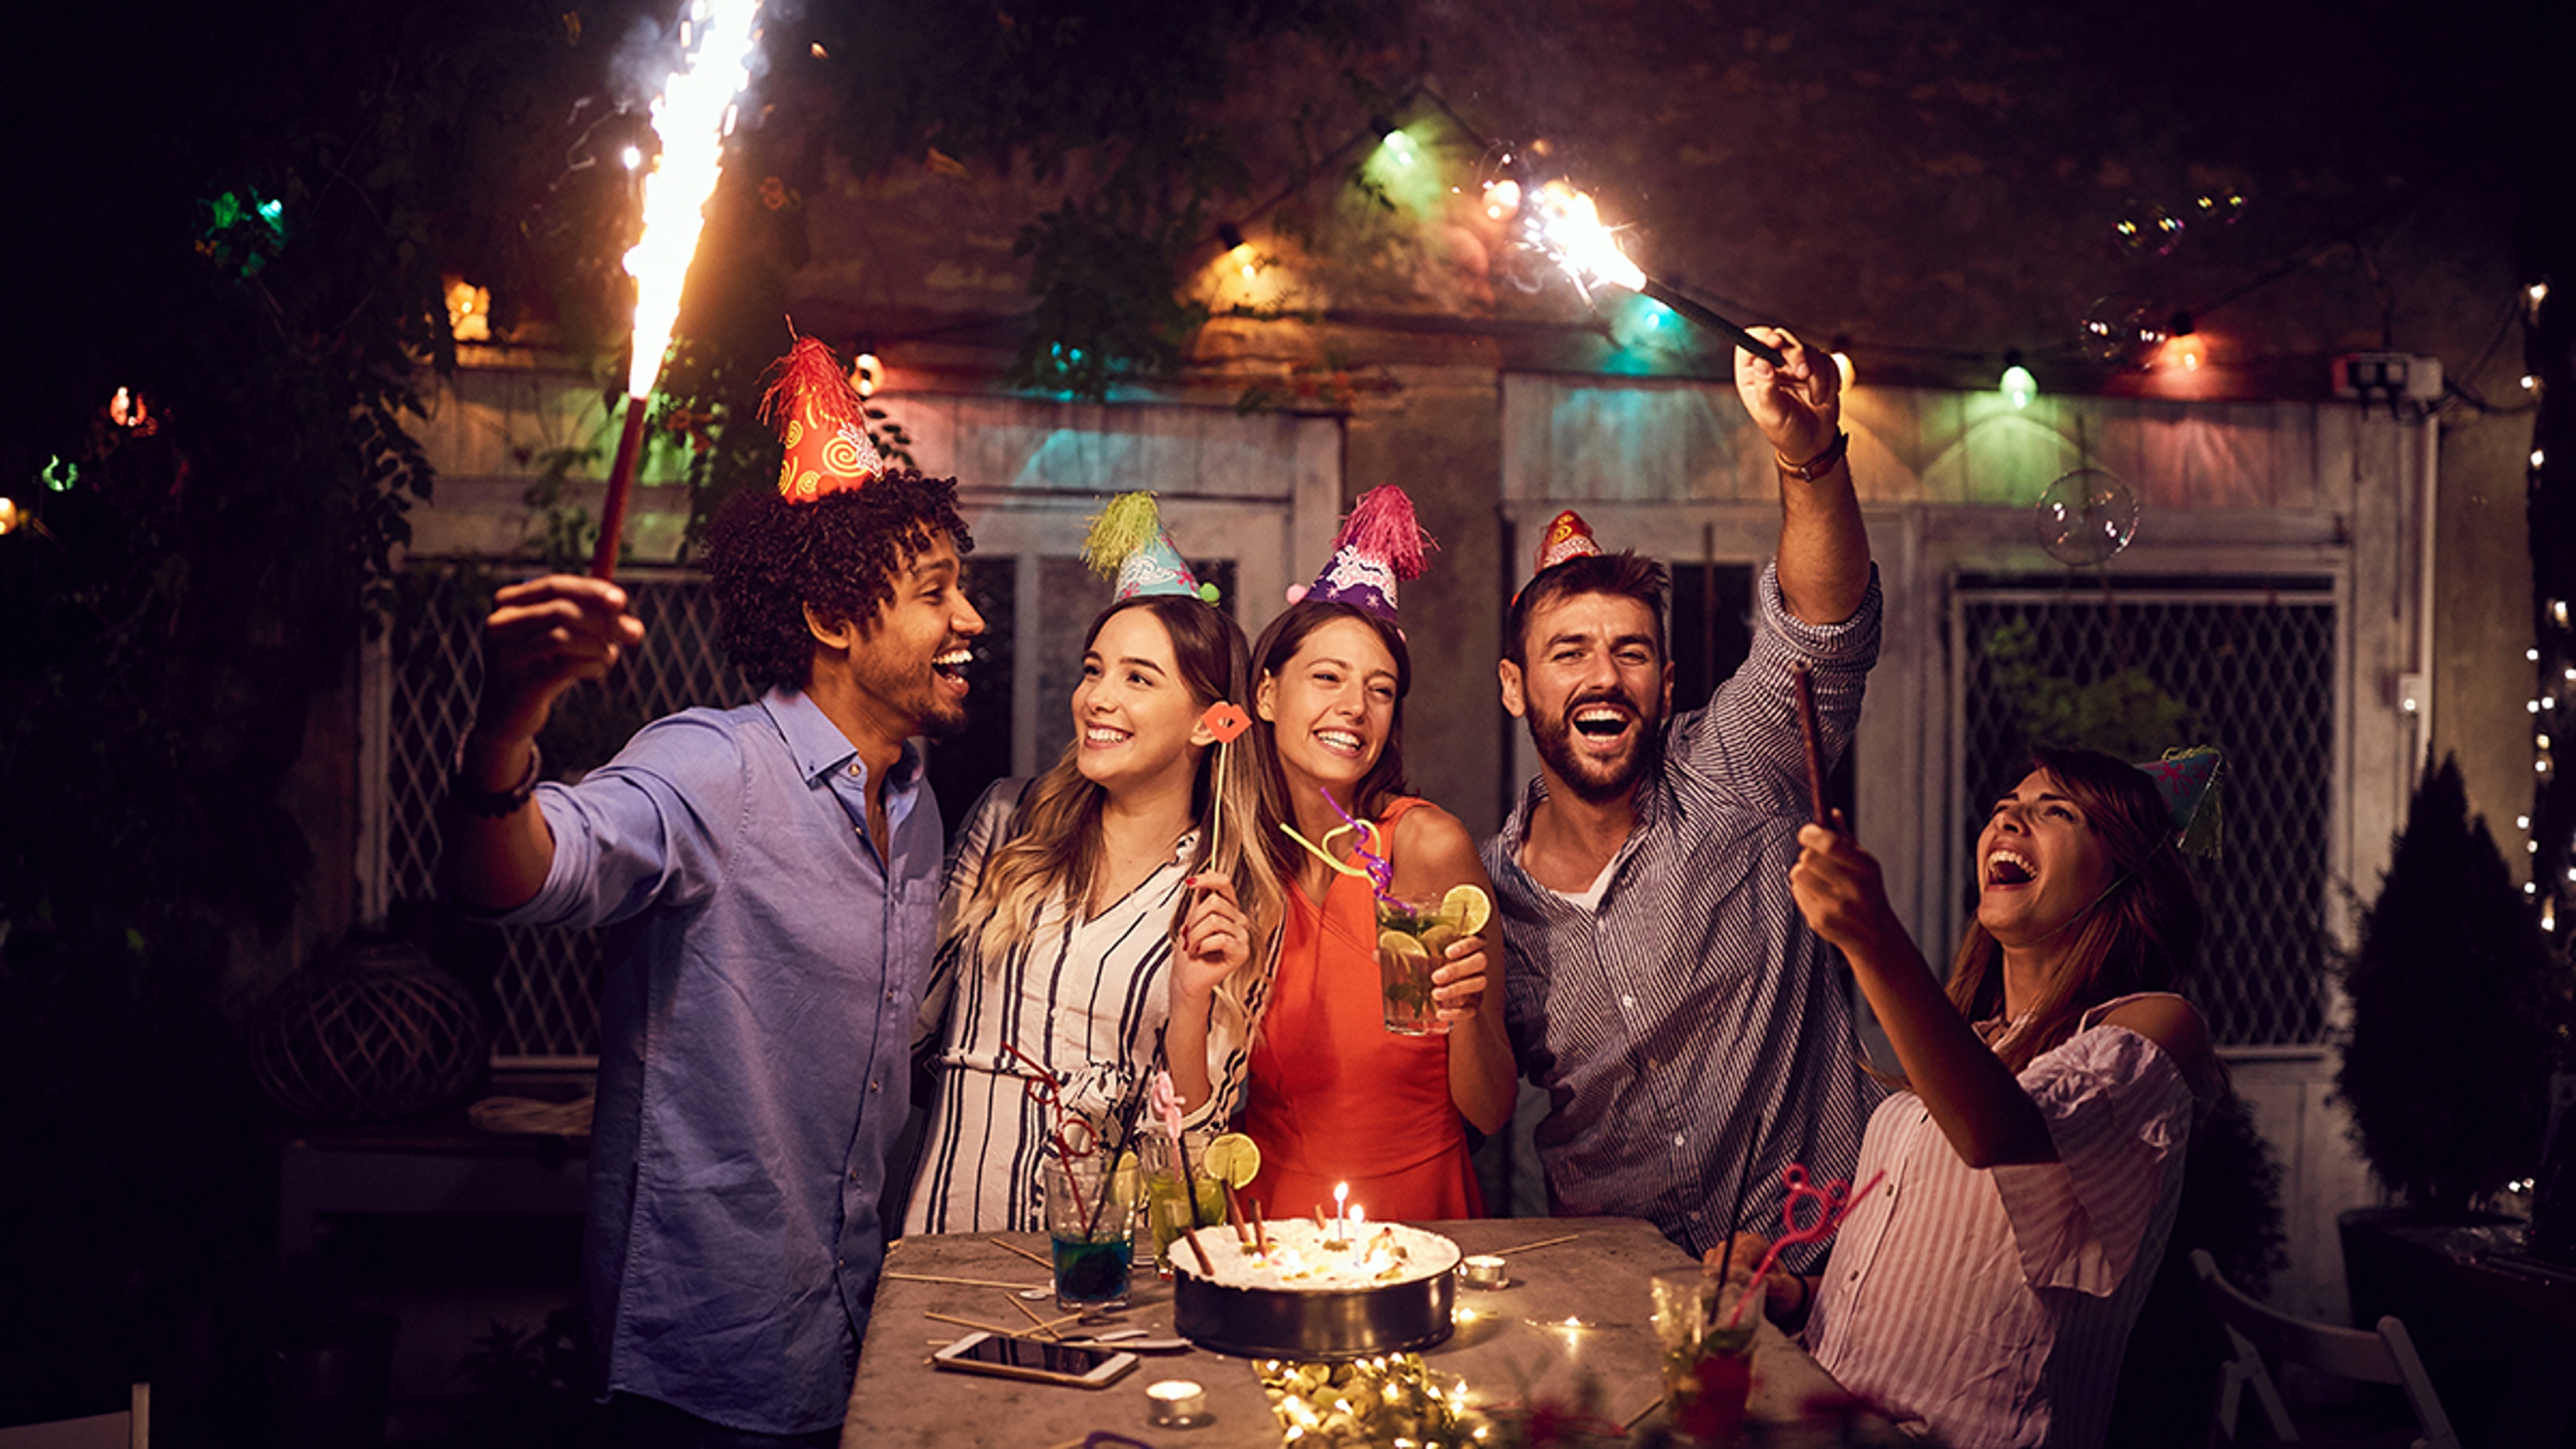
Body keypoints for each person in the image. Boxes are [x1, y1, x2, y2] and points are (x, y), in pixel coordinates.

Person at [439, 337, 983, 1446]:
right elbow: (524, 875)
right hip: (701, 1367)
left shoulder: (919, 806)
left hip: (851, 1334)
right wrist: (504, 729)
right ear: (835, 621)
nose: (971, 619)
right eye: (936, 594)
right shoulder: (713, 769)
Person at [1482, 328, 1882, 1266]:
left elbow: (1824, 631)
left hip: (1830, 1263)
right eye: (1568, 652)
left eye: (1629, 652)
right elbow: (1472, 1103)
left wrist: (1809, 454)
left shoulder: (1736, 768)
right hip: (1623, 1302)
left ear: (1665, 683)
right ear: (1514, 687)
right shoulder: (1486, 896)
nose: (1603, 676)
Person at [1712, 747, 2224, 1449]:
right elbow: (1938, 1276)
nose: (2010, 817)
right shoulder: (1971, 1046)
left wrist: (1874, 940)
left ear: (2124, 873)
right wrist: (1796, 1294)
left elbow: (1996, 1135)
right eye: (2004, 807)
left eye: (2055, 811)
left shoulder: (2156, 1029)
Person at [904, 494, 1283, 1232]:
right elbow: (906, 1026)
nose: (1098, 699)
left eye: (1139, 679)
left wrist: (1192, 998)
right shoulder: (1007, 820)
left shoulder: (1231, 894)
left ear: (1215, 722)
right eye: (1093, 669)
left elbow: (1198, 1161)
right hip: (947, 1231)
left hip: (1106, 1261)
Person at [1236, 485, 1516, 1222]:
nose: (1355, 708)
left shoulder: (1423, 847)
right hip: (1268, 1229)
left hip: (1417, 1216)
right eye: (1327, 677)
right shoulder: (1242, 860)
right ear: (1267, 694)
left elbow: (1491, 1111)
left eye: (1380, 690)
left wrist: (1466, 1013)